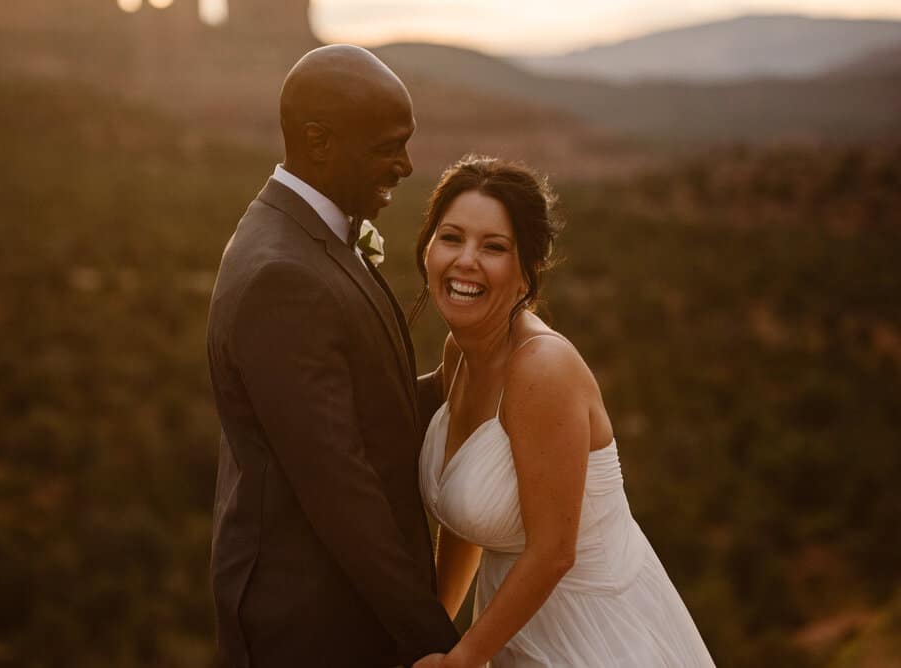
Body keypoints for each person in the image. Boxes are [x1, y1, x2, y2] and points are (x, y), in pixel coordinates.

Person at [206, 45, 459, 668]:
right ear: (319, 142)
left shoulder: (309, 234)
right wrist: (446, 648)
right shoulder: (280, 276)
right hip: (313, 629)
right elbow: (342, 491)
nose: (405, 165)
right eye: (386, 146)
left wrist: (464, 376)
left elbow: (363, 416)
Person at [411, 155, 715, 667]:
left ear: (527, 267)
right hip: (515, 631)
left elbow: (553, 551)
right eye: (451, 237)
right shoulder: (459, 351)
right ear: (427, 247)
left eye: (494, 247)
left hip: (596, 639)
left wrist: (462, 660)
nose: (466, 260)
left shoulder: (542, 370)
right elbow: (465, 522)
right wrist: (430, 637)